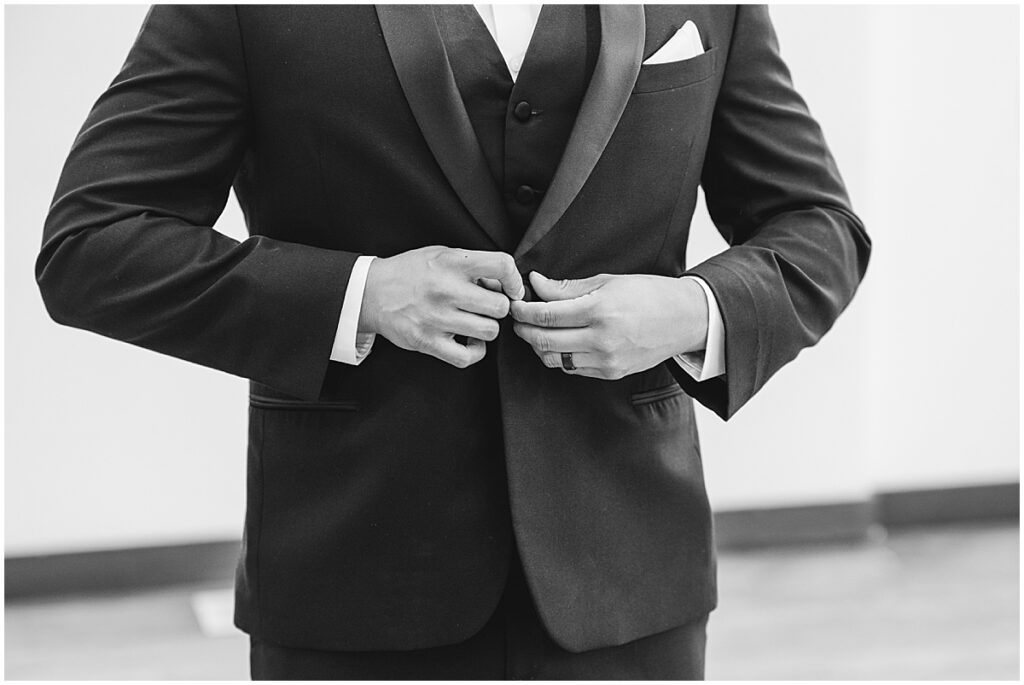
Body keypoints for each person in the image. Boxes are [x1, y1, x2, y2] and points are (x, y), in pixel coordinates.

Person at [37, 4, 870, 680]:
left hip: (629, 579)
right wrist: (363, 294)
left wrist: (688, 310)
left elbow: (819, 228)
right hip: (353, 575)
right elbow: (93, 243)